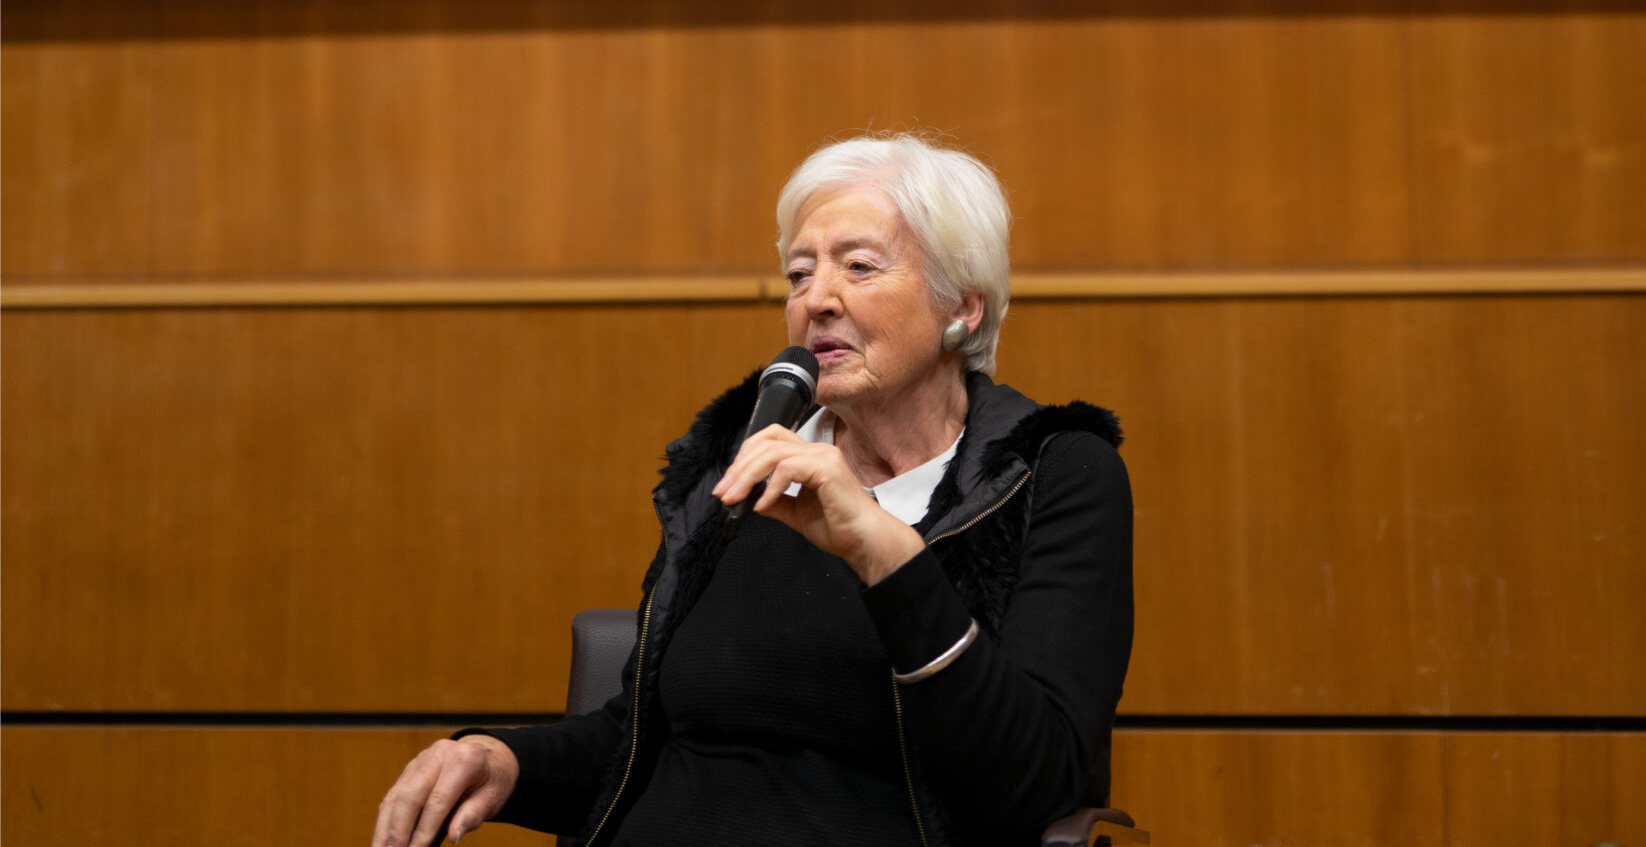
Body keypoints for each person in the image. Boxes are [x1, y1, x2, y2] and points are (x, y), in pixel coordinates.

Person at [373, 133, 1133, 845]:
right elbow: (641, 740)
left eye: (859, 267)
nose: (817, 300)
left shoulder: (1047, 474)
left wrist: (887, 559)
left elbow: (1037, 782)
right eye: (801, 274)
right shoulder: (740, 465)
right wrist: (506, 764)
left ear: (962, 308)